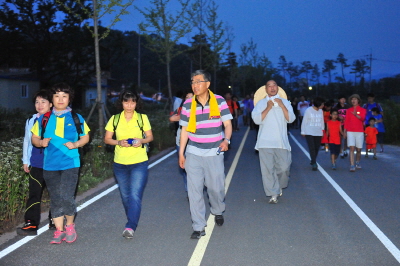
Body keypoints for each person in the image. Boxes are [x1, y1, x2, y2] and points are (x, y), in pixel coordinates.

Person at [31, 83, 90, 244]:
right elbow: (34, 138)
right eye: (57, 96)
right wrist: (40, 142)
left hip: (70, 162)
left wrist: (76, 144)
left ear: (69, 99)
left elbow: (85, 137)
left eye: (64, 96)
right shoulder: (44, 118)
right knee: (55, 198)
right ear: (52, 99)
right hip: (49, 165)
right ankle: (59, 230)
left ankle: (70, 225)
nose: (60, 99)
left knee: (66, 196)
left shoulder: (76, 118)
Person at [179, 70, 232, 239]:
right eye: (193, 82)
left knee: (215, 188)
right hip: (193, 152)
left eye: (198, 82)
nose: (195, 85)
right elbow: (184, 130)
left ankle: (217, 210)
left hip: (214, 151)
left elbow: (228, 124)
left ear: (207, 84)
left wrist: (227, 140)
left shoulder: (219, 101)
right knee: (194, 191)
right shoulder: (188, 105)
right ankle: (198, 226)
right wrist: (181, 153)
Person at [104, 90, 153, 239]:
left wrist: (141, 141)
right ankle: (132, 218)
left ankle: (130, 226)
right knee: (125, 196)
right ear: (122, 103)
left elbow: (150, 136)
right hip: (120, 163)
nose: (129, 105)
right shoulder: (115, 119)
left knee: (134, 194)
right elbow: (107, 139)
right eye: (126, 102)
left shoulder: (142, 118)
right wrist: (118, 142)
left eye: (132, 102)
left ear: (136, 103)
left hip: (139, 161)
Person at [17, 90, 54, 236]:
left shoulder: (57, 120)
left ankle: (55, 220)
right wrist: (25, 160)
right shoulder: (31, 120)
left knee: (55, 194)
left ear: (51, 104)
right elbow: (27, 141)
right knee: (34, 194)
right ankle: (31, 224)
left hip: (53, 163)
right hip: (36, 163)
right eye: (37, 102)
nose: (39, 105)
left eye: (43, 102)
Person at [252, 80, 295, 204]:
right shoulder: (261, 103)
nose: (272, 88)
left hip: (281, 142)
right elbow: (256, 120)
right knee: (267, 170)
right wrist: (268, 107)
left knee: (284, 168)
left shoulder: (285, 102)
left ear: (278, 88)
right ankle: (273, 194)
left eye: (274, 85)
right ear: (265, 89)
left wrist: (282, 106)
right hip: (265, 142)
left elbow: (291, 119)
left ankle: (278, 186)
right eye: (269, 86)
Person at [169, 90, 194, 194]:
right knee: (184, 168)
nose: (188, 99)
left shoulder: (201, 109)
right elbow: (171, 118)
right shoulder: (180, 109)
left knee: (195, 167)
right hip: (181, 141)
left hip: (195, 142)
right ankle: (189, 190)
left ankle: (196, 187)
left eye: (191, 97)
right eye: (187, 97)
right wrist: (184, 115)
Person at [301, 97, 325, 171]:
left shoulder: (321, 111)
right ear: (318, 104)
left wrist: (322, 130)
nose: (323, 105)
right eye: (322, 104)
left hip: (318, 132)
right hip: (309, 132)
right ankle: (314, 163)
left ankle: (313, 159)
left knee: (316, 148)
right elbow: (304, 121)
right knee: (312, 148)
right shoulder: (308, 110)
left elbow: (322, 121)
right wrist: (303, 131)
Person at [343, 94, 366, 172]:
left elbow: (362, 118)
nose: (353, 101)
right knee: (352, 148)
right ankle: (352, 165)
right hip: (350, 131)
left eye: (355, 99)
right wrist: (345, 131)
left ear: (358, 100)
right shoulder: (349, 110)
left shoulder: (363, 110)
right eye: (352, 99)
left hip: (359, 131)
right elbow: (346, 121)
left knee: (358, 149)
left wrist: (356, 115)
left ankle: (357, 162)